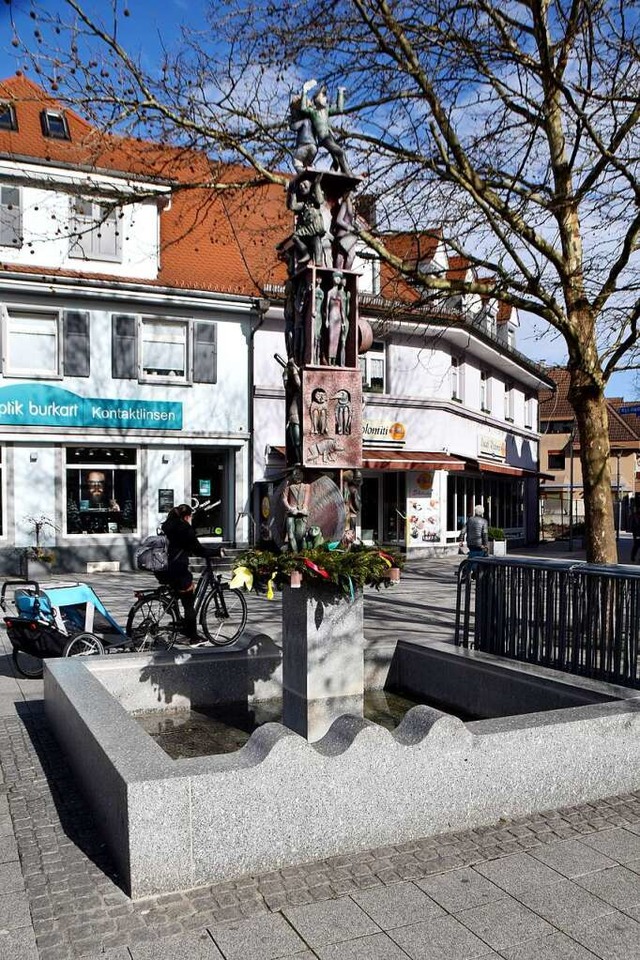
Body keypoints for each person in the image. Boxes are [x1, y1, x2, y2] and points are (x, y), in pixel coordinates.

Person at [156, 503, 221, 644]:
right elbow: (198, 550)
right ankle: (193, 637)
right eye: (191, 517)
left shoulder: (166, 526)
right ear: (187, 517)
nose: (191, 519)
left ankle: (178, 621)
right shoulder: (185, 529)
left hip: (163, 569)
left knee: (181, 593)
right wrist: (215, 552)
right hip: (178, 570)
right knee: (189, 603)